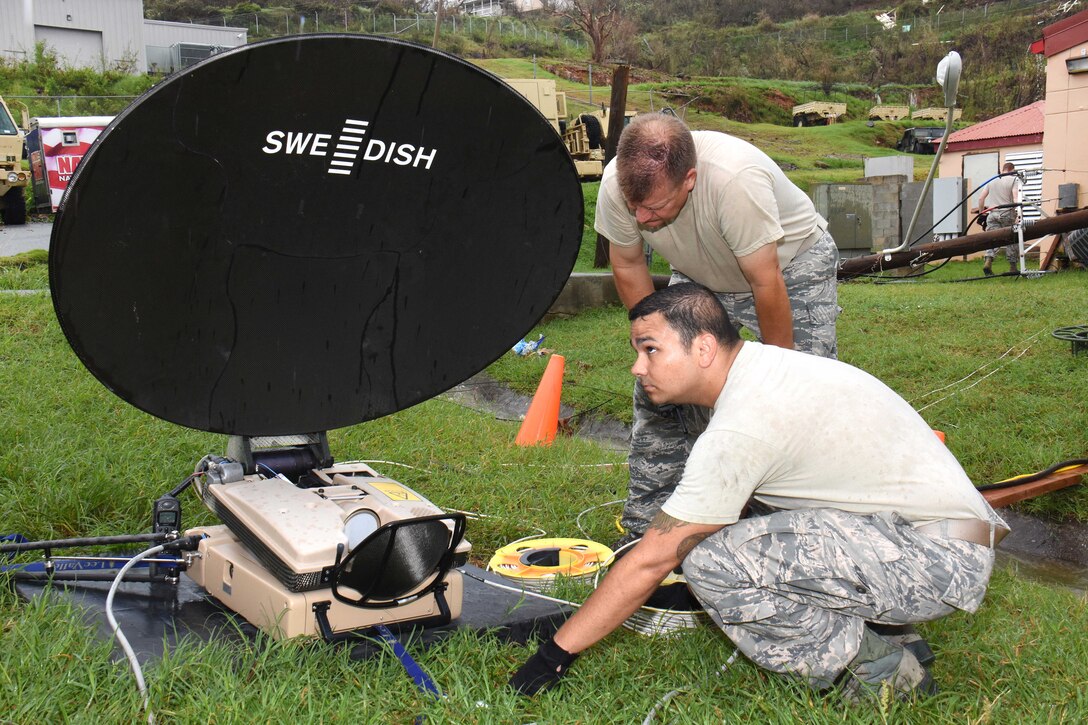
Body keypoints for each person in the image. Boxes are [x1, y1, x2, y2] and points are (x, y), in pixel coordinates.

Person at [510, 283, 1007, 702]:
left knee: (712, 561)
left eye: (650, 349)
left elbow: (653, 558)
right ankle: (895, 635)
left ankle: (881, 674)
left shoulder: (742, 426)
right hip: (932, 539)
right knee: (748, 528)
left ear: (703, 348)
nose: (638, 368)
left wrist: (555, 654)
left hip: (939, 561)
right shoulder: (764, 368)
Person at [595, 113, 840, 541]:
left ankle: (789, 532)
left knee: (799, 398)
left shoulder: (734, 180)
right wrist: (653, 348)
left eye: (653, 208)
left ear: (689, 179)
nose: (642, 218)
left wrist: (775, 380)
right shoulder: (617, 184)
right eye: (634, 207)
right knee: (661, 385)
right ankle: (648, 529)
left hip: (789, 266)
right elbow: (628, 262)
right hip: (697, 272)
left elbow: (766, 282)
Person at [977, 162, 1023, 276]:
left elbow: (980, 198)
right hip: (1007, 214)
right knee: (1012, 239)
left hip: (992, 216)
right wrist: (1019, 214)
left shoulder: (992, 180)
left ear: (1003, 169)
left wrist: (982, 214)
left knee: (992, 239)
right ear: (1012, 170)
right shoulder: (1014, 180)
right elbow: (1016, 197)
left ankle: (988, 260)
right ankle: (1013, 267)